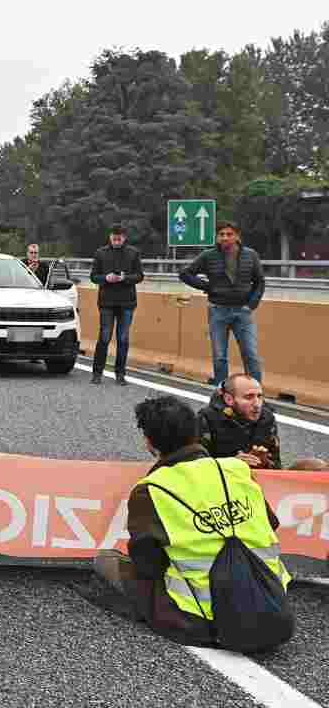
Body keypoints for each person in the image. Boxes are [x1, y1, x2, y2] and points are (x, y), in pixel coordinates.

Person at [91, 396, 290, 647]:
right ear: (195, 434)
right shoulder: (236, 470)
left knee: (106, 560)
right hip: (273, 603)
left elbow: (148, 564)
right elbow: (271, 524)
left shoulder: (152, 488)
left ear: (150, 443)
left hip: (202, 620)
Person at [180, 220, 265, 386]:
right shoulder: (208, 255)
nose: (225, 238)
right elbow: (185, 273)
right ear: (217, 237)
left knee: (251, 355)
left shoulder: (250, 255)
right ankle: (221, 393)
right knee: (220, 356)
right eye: (221, 235)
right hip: (218, 311)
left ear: (237, 237)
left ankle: (257, 396)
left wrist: (251, 305)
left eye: (229, 234)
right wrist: (207, 287)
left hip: (243, 311)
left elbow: (259, 281)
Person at [199, 373, 327, 471]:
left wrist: (266, 462)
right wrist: (232, 464)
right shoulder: (207, 418)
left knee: (317, 467)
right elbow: (193, 468)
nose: (257, 404)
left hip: (258, 485)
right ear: (229, 399)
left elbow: (277, 467)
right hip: (222, 488)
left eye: (259, 396)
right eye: (248, 397)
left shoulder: (267, 418)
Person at [89, 224, 144, 386]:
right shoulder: (100, 253)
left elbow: (140, 276)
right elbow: (93, 277)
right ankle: (97, 373)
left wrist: (124, 278)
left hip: (127, 302)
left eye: (119, 238)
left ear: (124, 238)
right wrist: (106, 278)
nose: (116, 240)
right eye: (114, 237)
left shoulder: (133, 253)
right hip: (106, 302)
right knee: (104, 337)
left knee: (123, 338)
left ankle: (120, 374)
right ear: (110, 237)